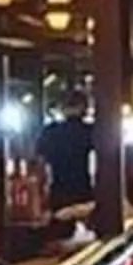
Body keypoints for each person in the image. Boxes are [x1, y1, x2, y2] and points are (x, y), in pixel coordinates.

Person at [37, 95, 96, 239]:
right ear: (84, 108)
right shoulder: (89, 131)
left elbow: (40, 161)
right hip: (83, 188)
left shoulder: (50, 132)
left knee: (60, 233)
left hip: (58, 189)